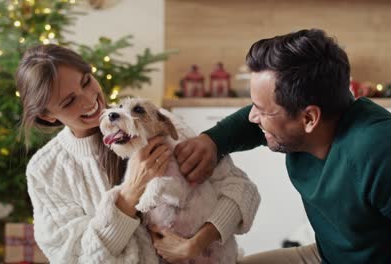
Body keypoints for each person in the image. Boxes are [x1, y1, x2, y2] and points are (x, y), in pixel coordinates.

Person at [174, 28, 391, 263]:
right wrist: (212, 140)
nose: (253, 118)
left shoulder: (390, 154)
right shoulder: (318, 116)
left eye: (262, 110)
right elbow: (251, 121)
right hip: (325, 256)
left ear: (309, 118)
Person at [16, 44, 260, 263]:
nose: (90, 100)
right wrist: (130, 193)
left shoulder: (156, 123)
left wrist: (195, 244)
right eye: (69, 101)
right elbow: (75, 257)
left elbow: (240, 189)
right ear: (47, 115)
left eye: (87, 81)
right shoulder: (46, 170)